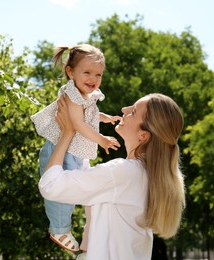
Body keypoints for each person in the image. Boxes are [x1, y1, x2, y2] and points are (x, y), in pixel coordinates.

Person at [39, 93, 186, 259]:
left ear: (143, 136)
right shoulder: (143, 176)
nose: (124, 110)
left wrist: (67, 132)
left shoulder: (124, 173)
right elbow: (84, 180)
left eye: (133, 112)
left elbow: (50, 186)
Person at [31, 44, 121, 253]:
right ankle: (59, 229)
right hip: (62, 151)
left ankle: (88, 233)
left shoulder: (86, 95)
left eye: (98, 74)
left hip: (74, 152)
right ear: (70, 72)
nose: (93, 79)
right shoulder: (72, 94)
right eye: (87, 72)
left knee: (82, 190)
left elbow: (86, 116)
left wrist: (104, 117)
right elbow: (78, 124)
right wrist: (102, 140)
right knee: (62, 192)